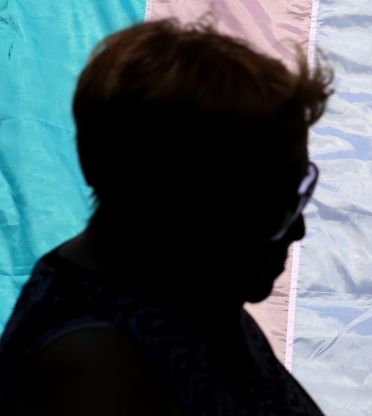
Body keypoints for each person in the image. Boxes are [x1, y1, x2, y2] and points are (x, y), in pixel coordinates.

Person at [0, 18, 331, 415]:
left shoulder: (191, 295)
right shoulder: (96, 373)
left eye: (297, 192)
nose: (298, 229)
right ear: (173, 205)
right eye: (267, 205)